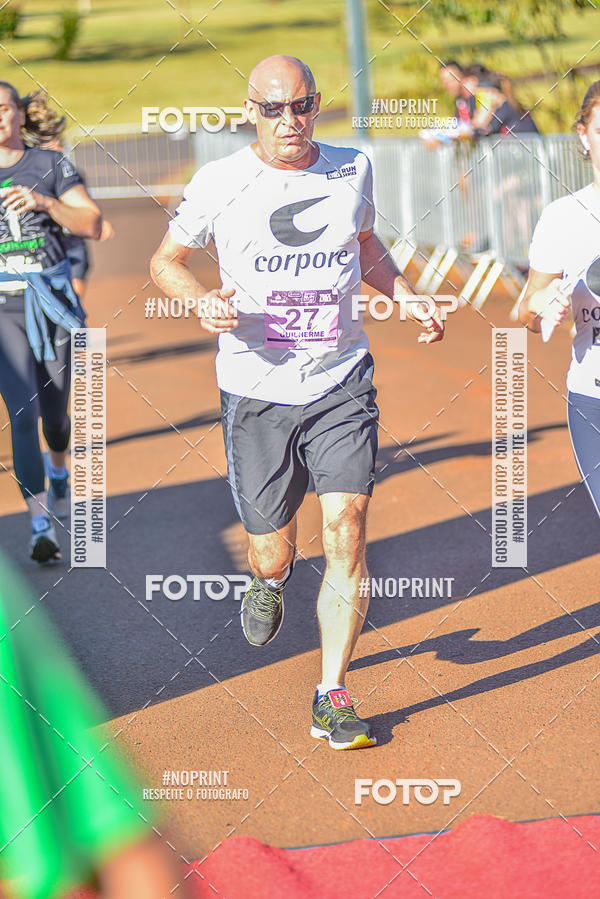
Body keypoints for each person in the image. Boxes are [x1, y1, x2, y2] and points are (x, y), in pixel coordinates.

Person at [151, 55, 445, 750]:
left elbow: (365, 246)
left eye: (304, 105)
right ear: (249, 110)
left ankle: (330, 692)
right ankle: (270, 579)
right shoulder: (220, 180)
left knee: (346, 525)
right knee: (269, 552)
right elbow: (167, 261)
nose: (292, 121)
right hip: (257, 386)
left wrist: (406, 296)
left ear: (317, 105)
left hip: (341, 375)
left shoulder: (352, 167)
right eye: (275, 108)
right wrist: (201, 303)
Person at [0, 82, 102, 561]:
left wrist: (44, 204)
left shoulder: (49, 165)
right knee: (22, 415)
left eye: (3, 110)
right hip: (4, 310)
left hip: (52, 303)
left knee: (55, 417)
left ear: (19, 114)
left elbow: (93, 224)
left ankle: (59, 466)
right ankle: (41, 524)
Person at [519, 81, 600, 519]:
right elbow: (526, 311)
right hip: (593, 399)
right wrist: (544, 302)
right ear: (583, 135)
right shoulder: (562, 218)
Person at [24, 89, 115, 301]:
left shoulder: (68, 172)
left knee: (73, 300)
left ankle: (78, 330)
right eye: (51, 142)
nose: (58, 147)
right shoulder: (32, 173)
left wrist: (100, 223)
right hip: (43, 250)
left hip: (74, 246)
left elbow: (84, 207)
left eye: (59, 142)